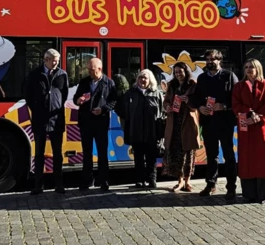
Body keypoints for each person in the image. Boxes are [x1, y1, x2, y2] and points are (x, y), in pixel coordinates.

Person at [191, 49, 238, 201]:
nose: (210, 62)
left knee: (229, 155)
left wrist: (225, 106)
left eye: (213, 59)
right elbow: (196, 98)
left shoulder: (229, 76)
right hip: (209, 122)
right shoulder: (202, 78)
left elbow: (238, 98)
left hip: (225, 122)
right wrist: (200, 107)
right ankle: (211, 184)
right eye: (208, 59)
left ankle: (231, 187)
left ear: (219, 60)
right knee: (211, 156)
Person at [25, 49, 70, 194]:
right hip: (40, 120)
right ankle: (38, 185)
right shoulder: (35, 75)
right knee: (39, 153)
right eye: (53, 60)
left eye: (57, 60)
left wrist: (55, 105)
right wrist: (39, 108)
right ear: (46, 60)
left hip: (56, 120)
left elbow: (64, 94)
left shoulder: (62, 74)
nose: (56, 63)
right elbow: (28, 96)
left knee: (58, 153)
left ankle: (59, 184)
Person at [232, 59, 265, 203]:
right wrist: (248, 113)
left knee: (262, 160)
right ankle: (249, 194)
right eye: (246, 67)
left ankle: (263, 194)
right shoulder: (239, 86)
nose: (249, 69)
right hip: (245, 125)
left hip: (261, 127)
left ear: (258, 68)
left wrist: (259, 117)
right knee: (246, 159)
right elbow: (235, 104)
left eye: (251, 67)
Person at [73, 57, 117, 191]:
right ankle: (86, 180)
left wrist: (103, 109)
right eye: (88, 69)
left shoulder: (108, 83)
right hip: (85, 121)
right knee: (87, 153)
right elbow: (76, 98)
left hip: (100, 122)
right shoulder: (84, 82)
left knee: (102, 153)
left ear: (99, 69)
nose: (89, 72)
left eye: (91, 70)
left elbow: (113, 101)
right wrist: (78, 101)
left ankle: (103, 181)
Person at [117, 69, 164, 188]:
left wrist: (160, 132)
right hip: (136, 131)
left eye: (145, 78)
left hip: (152, 132)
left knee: (151, 158)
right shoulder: (130, 93)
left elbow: (162, 113)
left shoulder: (156, 93)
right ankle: (139, 180)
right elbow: (122, 112)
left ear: (150, 80)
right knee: (138, 158)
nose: (142, 80)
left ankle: (152, 180)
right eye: (140, 77)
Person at [163, 62, 200, 192]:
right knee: (176, 152)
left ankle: (187, 181)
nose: (178, 74)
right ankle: (179, 181)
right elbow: (166, 101)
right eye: (176, 72)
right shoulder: (172, 85)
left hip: (188, 122)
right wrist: (167, 106)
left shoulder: (193, 84)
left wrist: (187, 100)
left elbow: (197, 103)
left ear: (186, 71)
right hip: (174, 122)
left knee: (188, 152)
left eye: (180, 71)